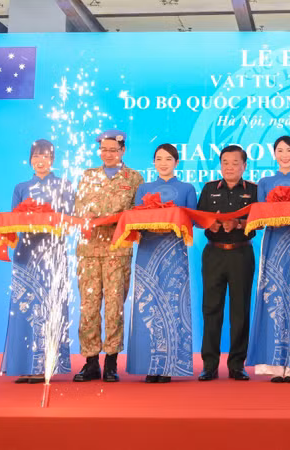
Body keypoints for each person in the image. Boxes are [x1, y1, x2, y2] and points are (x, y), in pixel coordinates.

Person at [73, 129, 144, 382]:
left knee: (115, 308)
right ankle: (90, 361)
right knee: (89, 308)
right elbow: (80, 208)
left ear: (123, 151)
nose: (108, 154)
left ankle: (111, 362)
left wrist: (111, 218)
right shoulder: (87, 176)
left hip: (118, 250)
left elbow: (136, 213)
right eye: (104, 150)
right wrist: (101, 217)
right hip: (88, 251)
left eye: (113, 150)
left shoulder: (134, 178)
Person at [1, 139, 73, 384]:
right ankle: (25, 365)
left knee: (50, 307)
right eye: (36, 157)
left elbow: (70, 220)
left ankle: (48, 366)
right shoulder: (21, 187)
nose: (40, 161)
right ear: (30, 159)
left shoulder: (64, 185)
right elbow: (13, 219)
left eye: (45, 157)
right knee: (24, 308)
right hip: (26, 253)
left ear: (53, 160)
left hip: (52, 253)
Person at [246, 136, 290, 383]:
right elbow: (261, 215)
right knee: (272, 298)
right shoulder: (264, 182)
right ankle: (273, 366)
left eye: (289, 150)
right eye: (279, 150)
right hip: (273, 241)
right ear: (274, 154)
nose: (284, 154)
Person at [126, 144, 196, 383]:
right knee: (147, 307)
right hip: (147, 251)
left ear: (177, 162)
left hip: (174, 253)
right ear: (153, 163)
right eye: (159, 159)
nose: (163, 163)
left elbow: (192, 221)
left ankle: (168, 366)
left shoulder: (187, 189)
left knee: (173, 306)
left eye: (168, 158)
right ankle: (147, 364)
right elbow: (135, 218)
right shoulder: (144, 188)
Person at [196, 145, 257, 382]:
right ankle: (209, 365)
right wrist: (208, 224)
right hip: (214, 254)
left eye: (235, 163)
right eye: (225, 163)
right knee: (211, 309)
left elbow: (260, 221)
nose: (229, 167)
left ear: (244, 166)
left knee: (239, 310)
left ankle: (236, 365)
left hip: (241, 254)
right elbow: (199, 218)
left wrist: (240, 225)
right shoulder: (210, 188)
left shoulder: (253, 190)